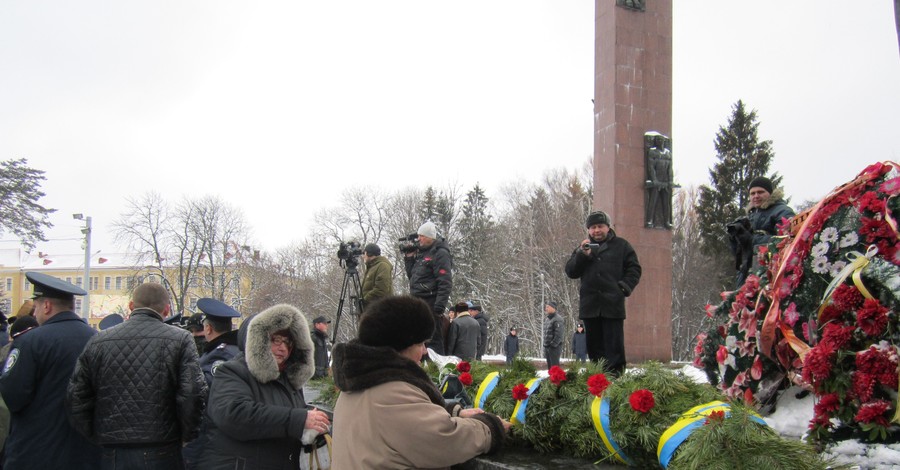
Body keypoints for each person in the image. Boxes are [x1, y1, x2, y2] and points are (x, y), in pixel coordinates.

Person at [331, 296, 509, 469]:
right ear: (401, 345)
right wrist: (490, 427)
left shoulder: (361, 381)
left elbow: (404, 425)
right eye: (421, 343)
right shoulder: (392, 394)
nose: (425, 351)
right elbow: (445, 440)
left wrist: (454, 412)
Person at [67, 282, 207, 470]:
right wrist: (186, 435)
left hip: (113, 449)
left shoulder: (99, 340)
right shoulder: (180, 339)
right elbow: (193, 393)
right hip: (163, 446)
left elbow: (77, 396)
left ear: (131, 306)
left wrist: (97, 434)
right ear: (166, 310)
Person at [199, 303, 328, 468]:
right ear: (258, 341)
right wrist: (299, 419)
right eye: (275, 340)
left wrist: (313, 426)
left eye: (288, 342)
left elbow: (289, 415)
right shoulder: (232, 371)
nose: (282, 347)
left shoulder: (287, 378)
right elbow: (235, 414)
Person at [0, 272, 101, 469]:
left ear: (46, 306)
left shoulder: (29, 342)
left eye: (36, 307)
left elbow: (13, 396)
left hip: (36, 453)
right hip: (88, 454)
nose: (35, 313)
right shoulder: (99, 340)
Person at [565, 210, 642, 376]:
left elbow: (634, 269)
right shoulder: (583, 248)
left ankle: (616, 380)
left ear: (608, 227)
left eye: (600, 226)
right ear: (588, 230)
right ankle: (598, 381)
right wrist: (582, 255)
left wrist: (623, 288)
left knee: (614, 349)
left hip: (612, 306)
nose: (596, 230)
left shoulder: (622, 246)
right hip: (590, 307)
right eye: (592, 227)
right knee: (594, 349)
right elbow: (571, 271)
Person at [183, 297, 242, 469]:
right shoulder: (231, 349)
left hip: (211, 438)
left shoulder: (219, 355)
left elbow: (203, 396)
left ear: (208, 328)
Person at [736, 176, 796, 286]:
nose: (756, 196)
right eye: (752, 193)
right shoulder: (752, 215)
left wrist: (753, 239)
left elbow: (788, 239)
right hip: (749, 270)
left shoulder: (782, 212)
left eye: (760, 192)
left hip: (772, 272)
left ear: (770, 193)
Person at [404, 221, 453, 355]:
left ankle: (437, 369)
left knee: (433, 340)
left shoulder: (440, 253)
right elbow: (413, 277)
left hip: (431, 303)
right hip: (418, 303)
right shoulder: (422, 254)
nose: (419, 239)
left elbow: (445, 282)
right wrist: (409, 258)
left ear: (430, 237)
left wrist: (439, 307)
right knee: (421, 339)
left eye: (422, 236)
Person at [360, 243, 393, 309]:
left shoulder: (382, 266)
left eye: (365, 253)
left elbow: (381, 290)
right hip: (372, 309)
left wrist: (364, 300)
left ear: (369, 254)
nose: (363, 256)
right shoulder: (372, 267)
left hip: (380, 310)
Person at [542, 301, 564, 369]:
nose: (546, 309)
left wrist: (552, 345)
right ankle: (551, 378)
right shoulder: (547, 319)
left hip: (554, 348)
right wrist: (545, 345)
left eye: (548, 307)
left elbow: (559, 335)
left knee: (555, 368)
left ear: (553, 308)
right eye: (546, 307)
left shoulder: (558, 319)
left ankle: (556, 379)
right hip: (547, 347)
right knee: (550, 368)